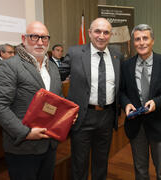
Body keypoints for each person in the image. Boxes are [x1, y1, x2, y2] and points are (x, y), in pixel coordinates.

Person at [0, 21, 62, 180]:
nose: (40, 42)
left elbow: (57, 101)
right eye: (34, 37)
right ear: (23, 39)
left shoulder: (53, 68)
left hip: (49, 145)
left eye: (44, 38)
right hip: (23, 148)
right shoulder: (10, 66)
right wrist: (26, 133)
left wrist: (66, 115)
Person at [120, 24, 161, 180]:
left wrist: (158, 102)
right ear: (133, 42)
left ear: (152, 40)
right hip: (137, 127)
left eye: (145, 38)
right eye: (137, 39)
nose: (141, 43)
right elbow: (121, 91)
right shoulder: (126, 65)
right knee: (140, 171)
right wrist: (126, 104)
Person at [64, 17, 123, 180]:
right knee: (79, 163)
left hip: (107, 116)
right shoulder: (75, 53)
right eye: (97, 31)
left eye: (106, 32)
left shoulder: (117, 55)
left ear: (110, 35)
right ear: (89, 33)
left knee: (102, 161)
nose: (101, 36)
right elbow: (57, 77)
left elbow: (121, 84)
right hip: (83, 116)